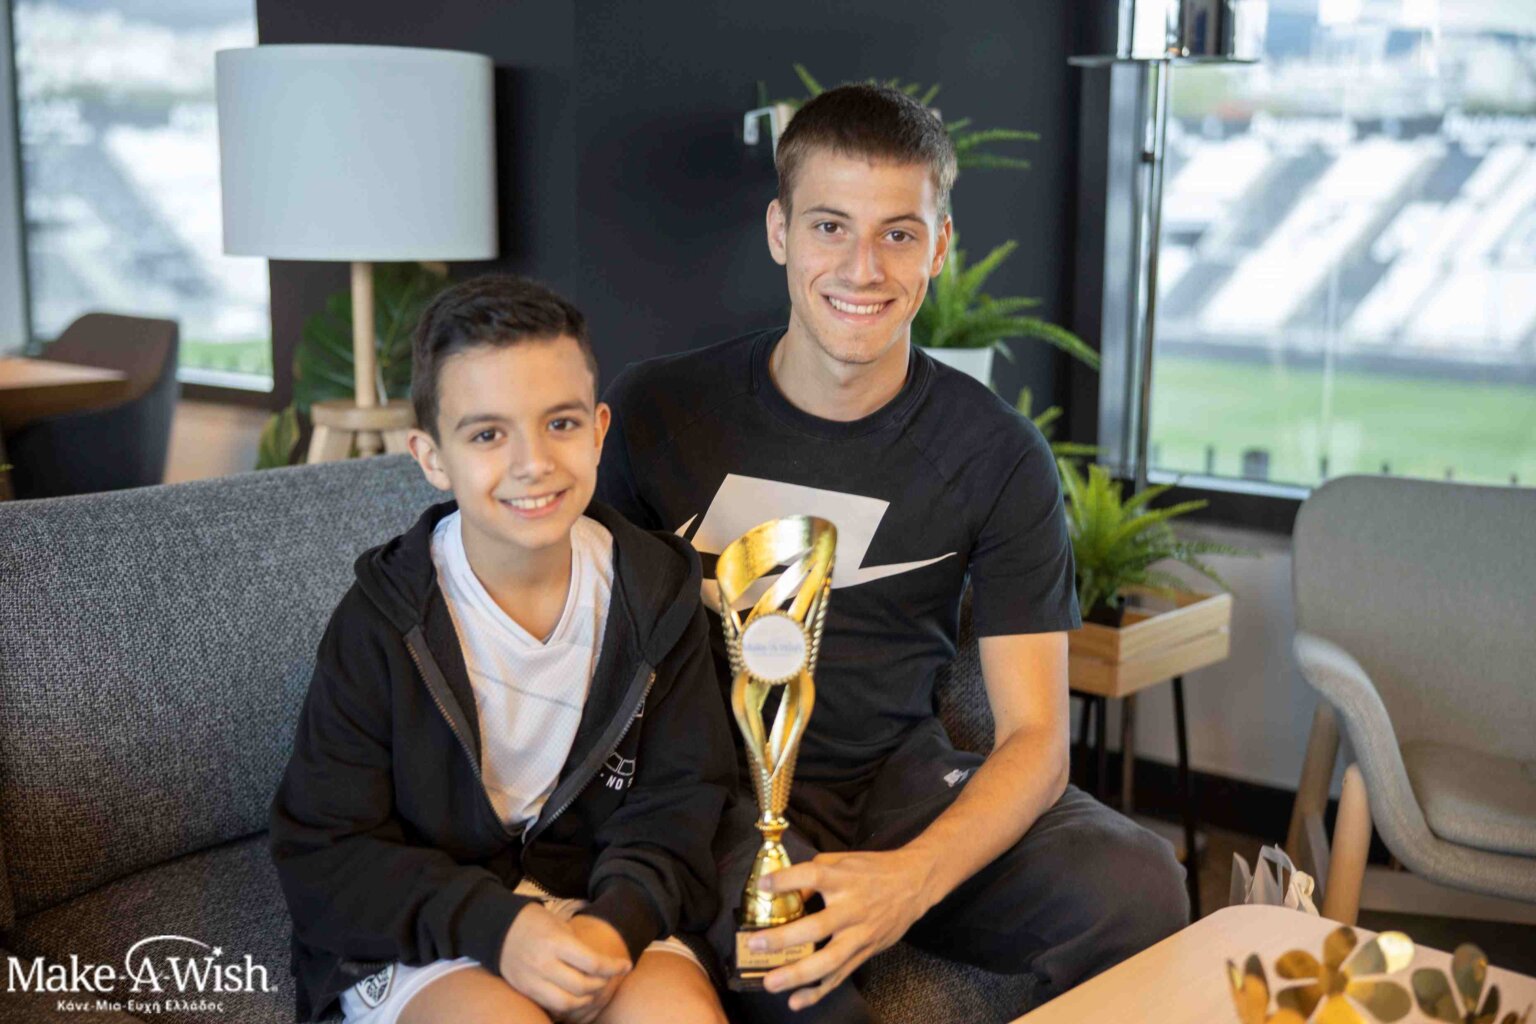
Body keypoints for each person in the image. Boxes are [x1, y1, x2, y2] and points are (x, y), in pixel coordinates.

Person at [595, 85, 1188, 1021]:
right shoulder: (655, 412)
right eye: (830, 226)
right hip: (711, 801)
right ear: (780, 232)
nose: (863, 268)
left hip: (899, 786)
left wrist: (909, 882)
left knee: (1140, 882)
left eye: (898, 234)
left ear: (940, 247)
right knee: (805, 979)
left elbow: (1037, 742)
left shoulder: (999, 455)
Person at [271, 275, 734, 1024]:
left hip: (605, 907)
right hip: (434, 930)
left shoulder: (658, 596)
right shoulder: (379, 623)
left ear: (599, 429)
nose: (533, 463)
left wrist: (615, 924)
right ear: (431, 456)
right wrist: (499, 927)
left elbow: (681, 803)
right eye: (488, 434)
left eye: (560, 423)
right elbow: (326, 853)